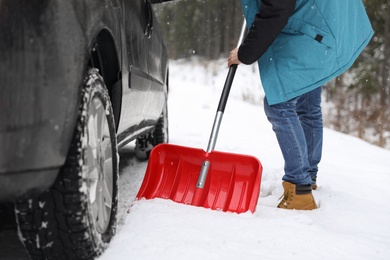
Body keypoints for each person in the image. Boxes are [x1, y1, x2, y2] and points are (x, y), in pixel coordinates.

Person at [228, 0, 373, 210]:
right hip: (316, 31)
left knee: (278, 105)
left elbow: (276, 9)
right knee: (307, 106)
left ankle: (299, 187)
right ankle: (308, 175)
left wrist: (246, 52)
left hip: (311, 33)